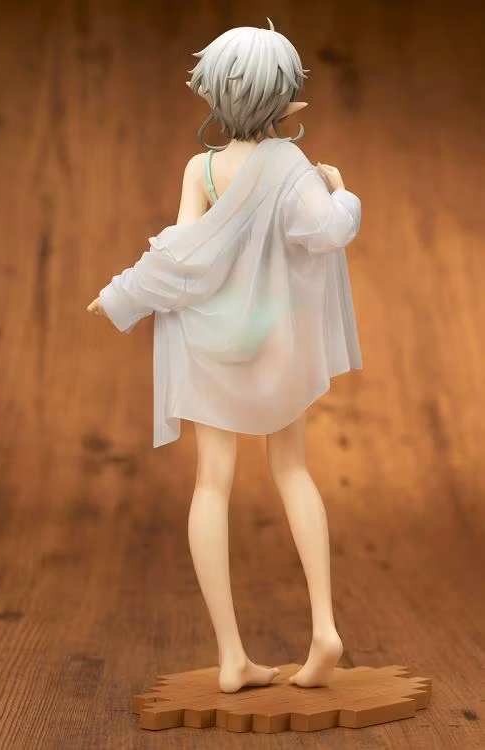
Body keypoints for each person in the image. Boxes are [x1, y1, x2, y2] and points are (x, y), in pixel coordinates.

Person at [87, 18, 362, 694]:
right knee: (291, 469)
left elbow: (180, 254)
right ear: (284, 96)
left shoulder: (202, 168)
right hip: (275, 342)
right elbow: (327, 233)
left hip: (212, 343)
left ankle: (232, 655)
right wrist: (341, 189)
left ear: (214, 93)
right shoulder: (291, 165)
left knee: (212, 482)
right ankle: (324, 627)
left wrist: (120, 294)